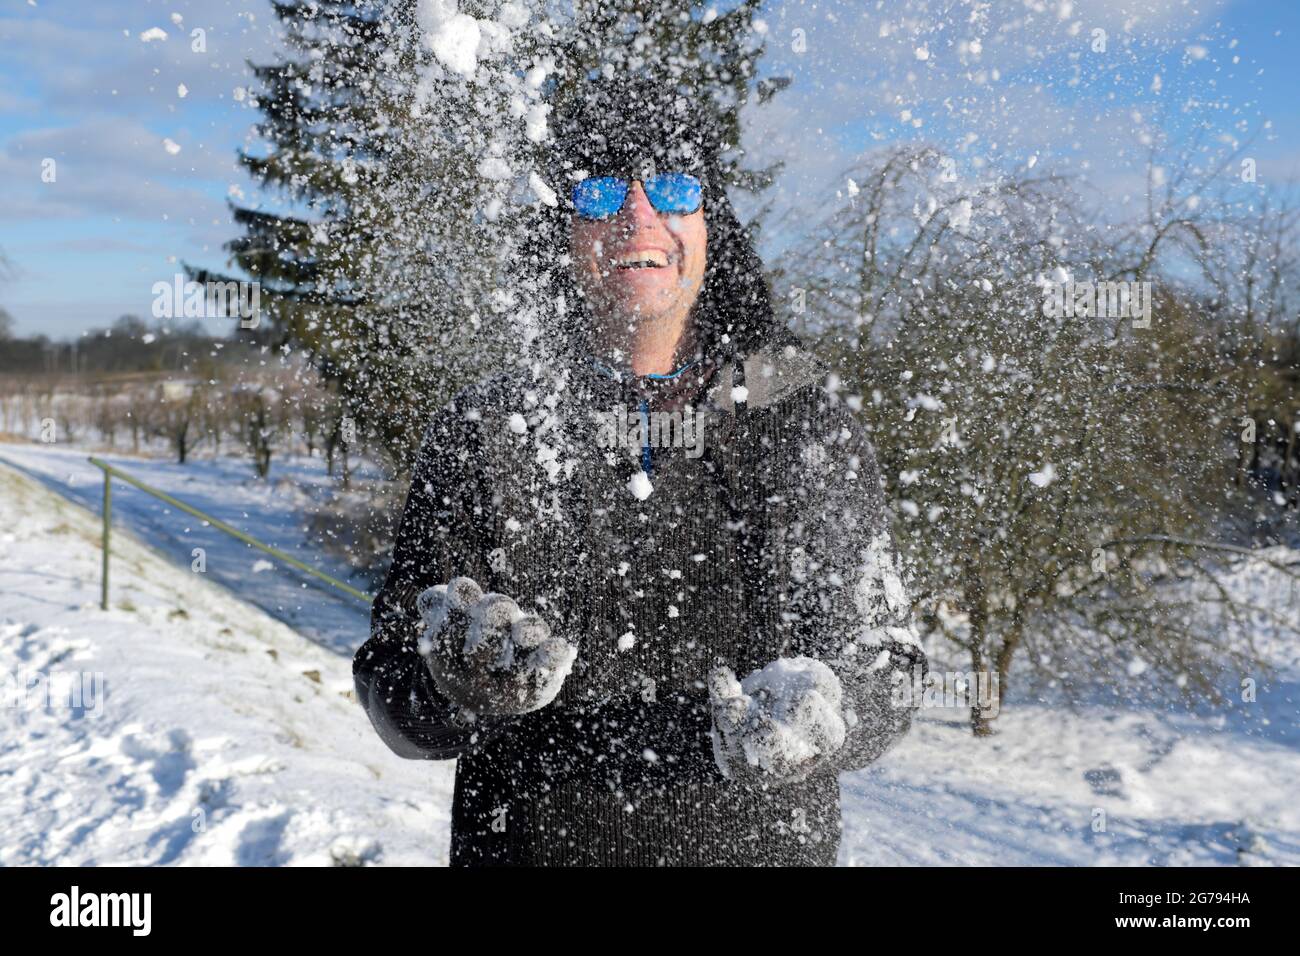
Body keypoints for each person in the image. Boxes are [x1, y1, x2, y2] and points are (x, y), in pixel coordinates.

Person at [353, 74, 927, 866]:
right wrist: (452, 686)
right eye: (598, 192)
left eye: (673, 185)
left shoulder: (800, 417)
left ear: (710, 221)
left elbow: (887, 663)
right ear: (561, 229)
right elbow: (390, 687)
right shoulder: (485, 429)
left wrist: (835, 715)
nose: (638, 215)